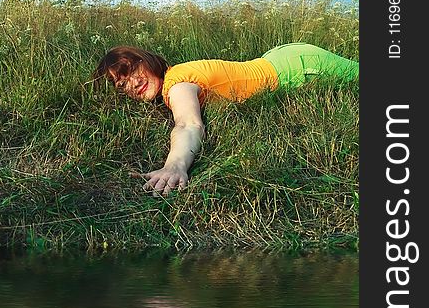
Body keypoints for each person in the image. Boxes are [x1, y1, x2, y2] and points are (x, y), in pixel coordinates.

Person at [93, 43, 359, 195]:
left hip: (296, 68)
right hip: (277, 59)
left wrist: (174, 166)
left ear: (146, 60)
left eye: (131, 69)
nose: (132, 83)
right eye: (121, 84)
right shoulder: (177, 78)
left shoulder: (177, 83)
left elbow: (188, 124)